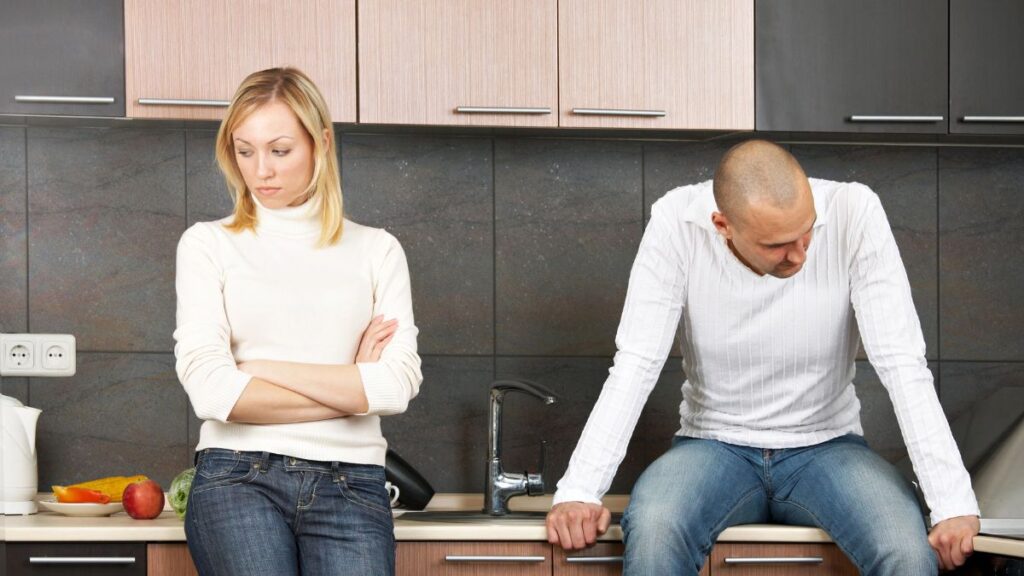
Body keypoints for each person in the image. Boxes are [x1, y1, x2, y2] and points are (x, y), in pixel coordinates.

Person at [546, 140, 980, 575]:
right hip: (712, 446)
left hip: (829, 447)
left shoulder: (855, 211)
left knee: (905, 550)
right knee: (655, 529)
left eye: (807, 230)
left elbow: (902, 361)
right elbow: (636, 362)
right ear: (723, 225)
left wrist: (951, 502)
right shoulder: (675, 221)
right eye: (777, 245)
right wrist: (580, 489)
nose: (800, 254)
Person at [173, 67, 421, 576]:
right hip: (237, 478)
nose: (260, 170)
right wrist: (350, 385)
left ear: (320, 143)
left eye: (279, 150)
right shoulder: (207, 244)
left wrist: (258, 366)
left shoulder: (377, 250)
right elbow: (214, 395)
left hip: (353, 484)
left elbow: (395, 388)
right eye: (245, 150)